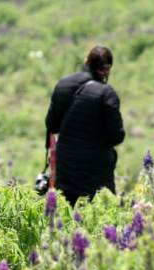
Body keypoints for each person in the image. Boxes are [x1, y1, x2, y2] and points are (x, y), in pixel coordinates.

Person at [44, 46, 125, 207]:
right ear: (107, 69)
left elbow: (52, 125)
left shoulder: (63, 85)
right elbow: (116, 136)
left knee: (66, 218)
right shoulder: (106, 93)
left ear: (86, 61)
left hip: (66, 165)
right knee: (101, 216)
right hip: (96, 170)